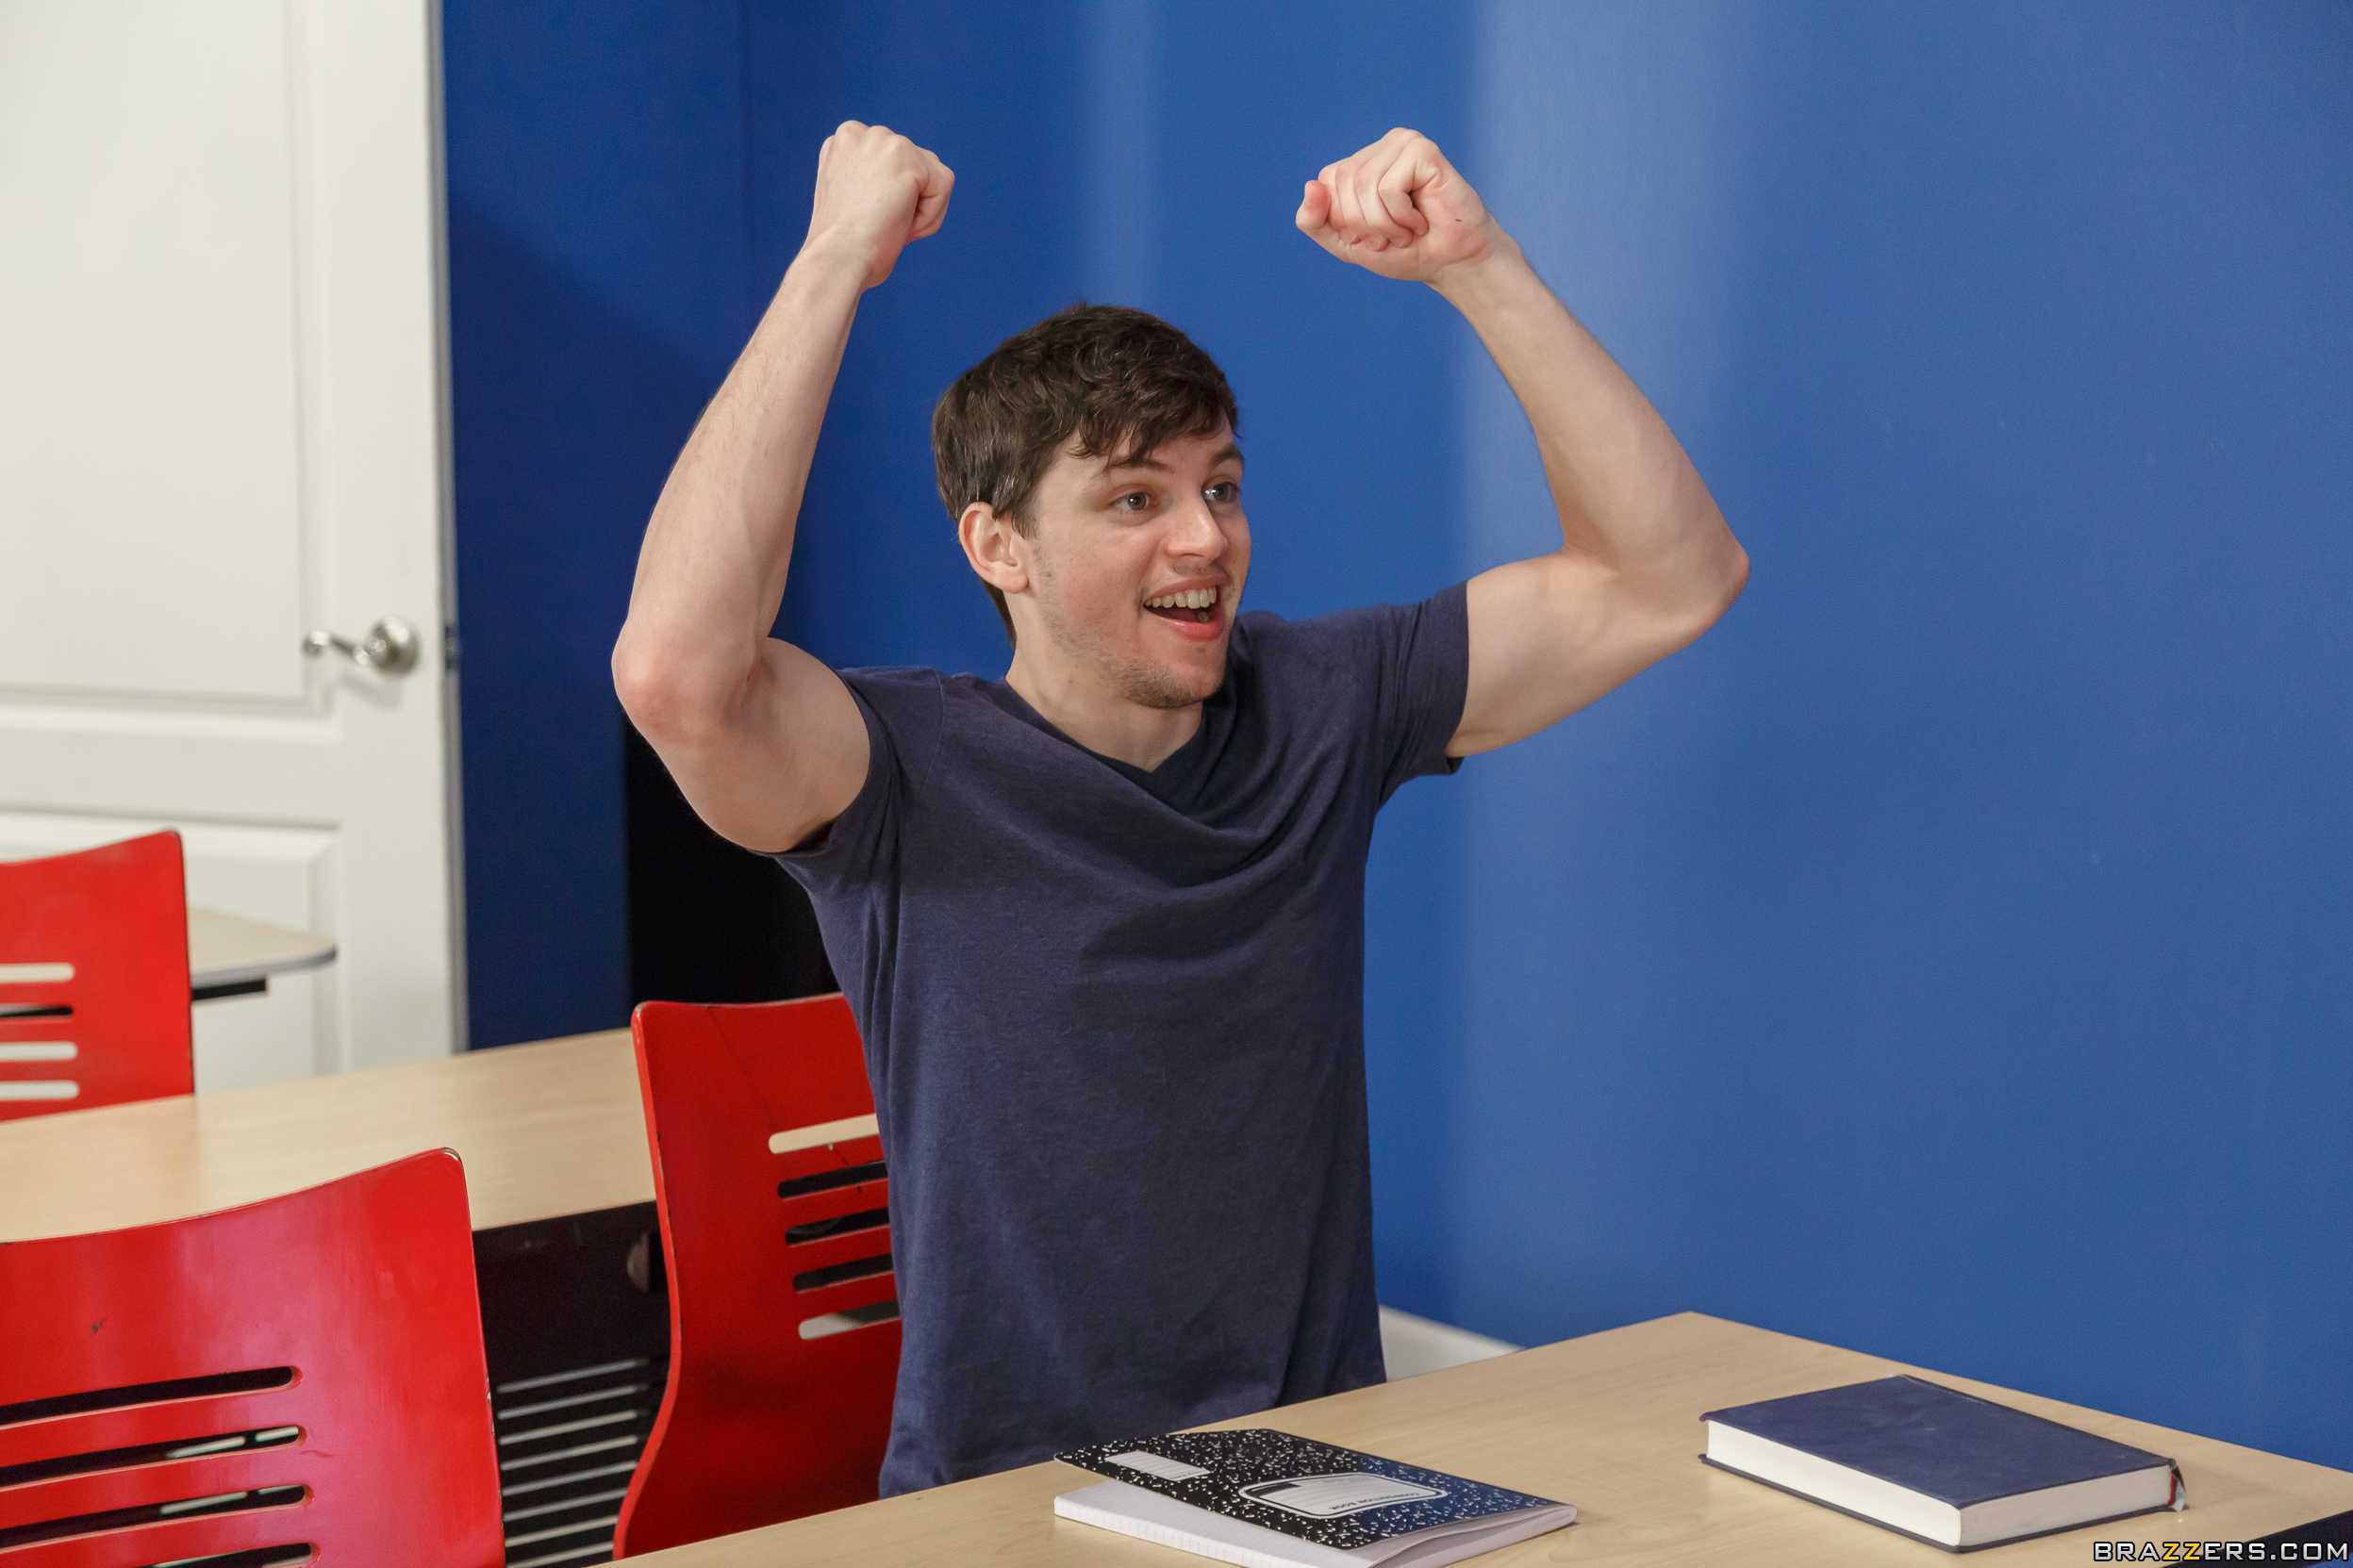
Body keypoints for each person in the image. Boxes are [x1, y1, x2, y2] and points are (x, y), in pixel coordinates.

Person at [613, 121, 1748, 1494]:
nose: (1205, 536)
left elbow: (1669, 577)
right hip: (1011, 1500)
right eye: (1133, 499)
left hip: (1315, 1477)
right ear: (998, 545)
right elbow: (676, 676)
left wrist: (1479, 265)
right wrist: (833, 258)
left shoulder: (1323, 703)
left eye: (1220, 486)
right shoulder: (897, 772)